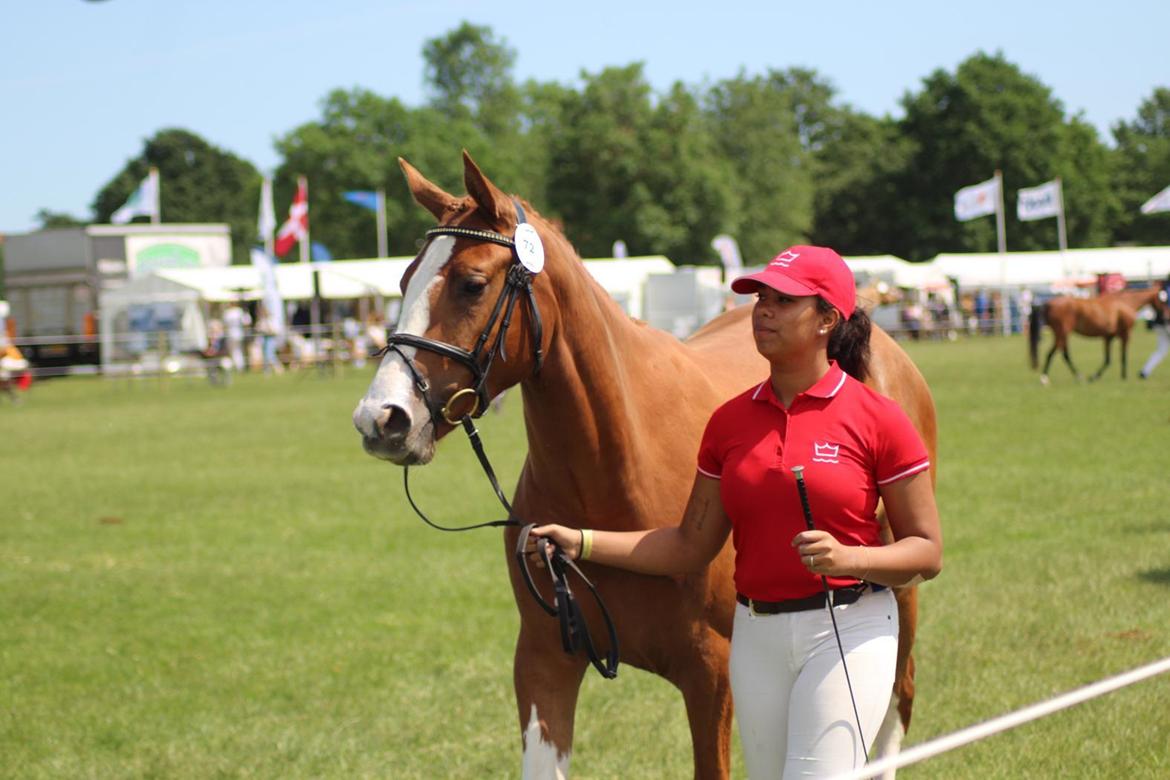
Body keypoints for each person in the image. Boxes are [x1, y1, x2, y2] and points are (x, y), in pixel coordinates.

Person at [528, 245, 943, 778]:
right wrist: (581, 541)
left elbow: (927, 552)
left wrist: (851, 558)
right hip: (757, 638)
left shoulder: (878, 418)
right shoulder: (727, 423)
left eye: (784, 300)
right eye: (760, 298)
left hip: (849, 626)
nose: (763, 310)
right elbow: (687, 546)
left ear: (827, 320)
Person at [1139, 279, 1170, 379]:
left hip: (1159, 324)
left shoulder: (1162, 289)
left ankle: (1145, 371)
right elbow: (1166, 309)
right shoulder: (1166, 290)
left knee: (1161, 351)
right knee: (1161, 350)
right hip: (1166, 324)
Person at [222, 301, 251, 372]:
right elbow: (247, 322)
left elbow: (225, 324)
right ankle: (239, 367)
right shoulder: (239, 311)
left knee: (235, 351)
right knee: (237, 351)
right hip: (238, 334)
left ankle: (238, 367)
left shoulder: (229, 312)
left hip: (232, 334)